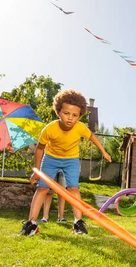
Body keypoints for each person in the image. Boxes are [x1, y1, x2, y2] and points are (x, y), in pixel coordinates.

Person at [18, 89, 112, 237]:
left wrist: (103, 152)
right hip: (50, 158)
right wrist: (37, 170)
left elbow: (92, 137)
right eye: (66, 113)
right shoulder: (49, 129)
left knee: (74, 188)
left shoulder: (80, 127)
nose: (70, 118)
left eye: (75, 115)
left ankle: (78, 223)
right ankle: (32, 223)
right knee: (42, 188)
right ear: (58, 112)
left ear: (79, 116)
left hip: (71, 159)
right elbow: (39, 149)